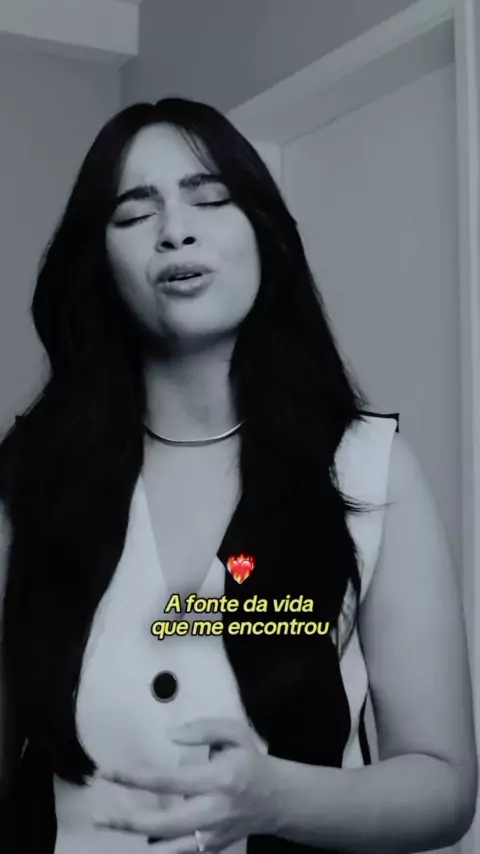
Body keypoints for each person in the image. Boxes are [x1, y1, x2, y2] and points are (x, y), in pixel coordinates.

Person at [0, 96, 477, 854]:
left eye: (210, 198)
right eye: (135, 213)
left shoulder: (370, 467)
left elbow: (445, 788)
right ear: (100, 265)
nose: (174, 229)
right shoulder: (30, 470)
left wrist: (278, 798)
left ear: (264, 235)